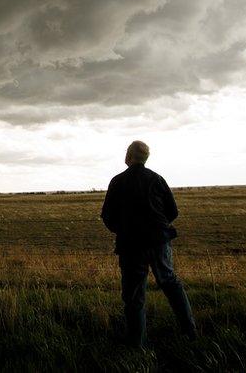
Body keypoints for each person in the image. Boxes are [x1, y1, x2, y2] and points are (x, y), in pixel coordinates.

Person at [101, 140, 197, 348]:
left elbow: (107, 216)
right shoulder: (157, 179)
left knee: (134, 294)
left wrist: (123, 230)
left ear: (129, 156)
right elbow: (173, 211)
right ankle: (190, 332)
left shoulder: (117, 182)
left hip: (130, 245)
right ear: (145, 158)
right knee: (170, 283)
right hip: (158, 241)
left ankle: (137, 345)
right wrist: (159, 227)